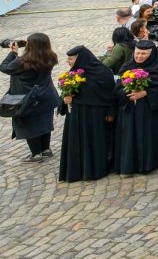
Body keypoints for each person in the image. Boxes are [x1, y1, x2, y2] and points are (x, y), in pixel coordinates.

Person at [57, 45, 116, 182]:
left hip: (95, 116)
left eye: (71, 59)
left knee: (94, 143)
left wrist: (111, 111)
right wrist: (65, 100)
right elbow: (64, 95)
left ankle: (95, 170)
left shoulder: (102, 73)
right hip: (76, 116)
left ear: (80, 58)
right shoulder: (73, 75)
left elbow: (110, 95)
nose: (69, 62)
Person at [113, 39, 158, 174]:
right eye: (137, 53)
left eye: (143, 54)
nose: (139, 57)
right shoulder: (127, 66)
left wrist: (146, 92)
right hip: (129, 110)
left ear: (151, 54)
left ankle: (150, 163)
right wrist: (127, 92)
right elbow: (117, 89)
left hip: (150, 112)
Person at [1, 34, 59, 162]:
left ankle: (35, 154)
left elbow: (4, 67)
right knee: (44, 121)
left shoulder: (23, 61)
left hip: (27, 98)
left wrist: (13, 53)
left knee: (29, 125)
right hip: (45, 95)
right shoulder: (51, 57)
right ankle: (45, 149)